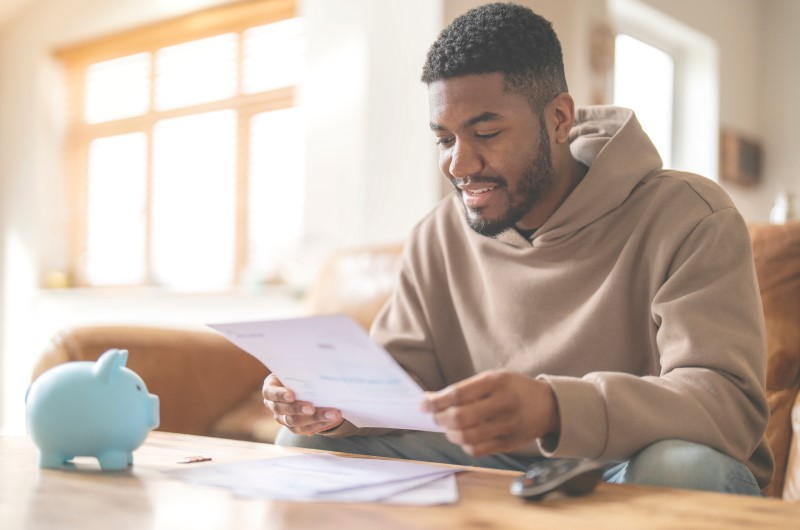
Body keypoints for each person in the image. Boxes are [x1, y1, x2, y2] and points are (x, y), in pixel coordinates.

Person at [263, 2, 774, 495]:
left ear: (558, 119)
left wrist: (556, 408)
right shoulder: (436, 235)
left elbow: (727, 401)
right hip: (495, 462)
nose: (459, 166)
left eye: (485, 132)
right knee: (305, 440)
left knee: (682, 467)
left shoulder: (690, 214)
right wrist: (333, 405)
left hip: (624, 464)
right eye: (444, 139)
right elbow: (401, 387)